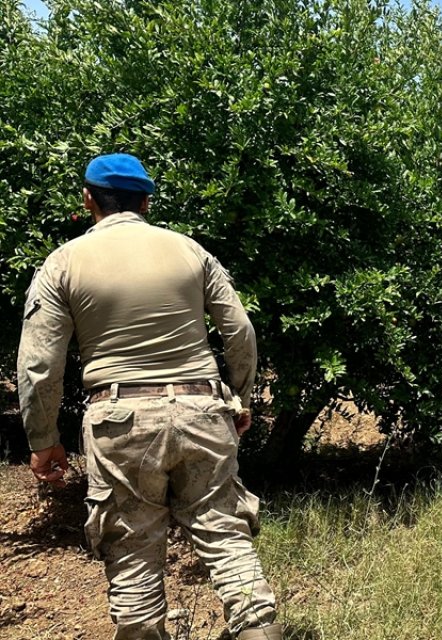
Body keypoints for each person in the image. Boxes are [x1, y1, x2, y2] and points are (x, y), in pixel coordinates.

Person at [17, 154, 282, 640]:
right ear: (146, 201)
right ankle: (258, 630)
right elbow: (239, 331)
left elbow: (39, 365)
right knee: (225, 534)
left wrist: (43, 438)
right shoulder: (190, 251)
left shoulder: (63, 262)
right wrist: (239, 399)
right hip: (203, 406)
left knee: (133, 549)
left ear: (88, 199)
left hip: (120, 418)